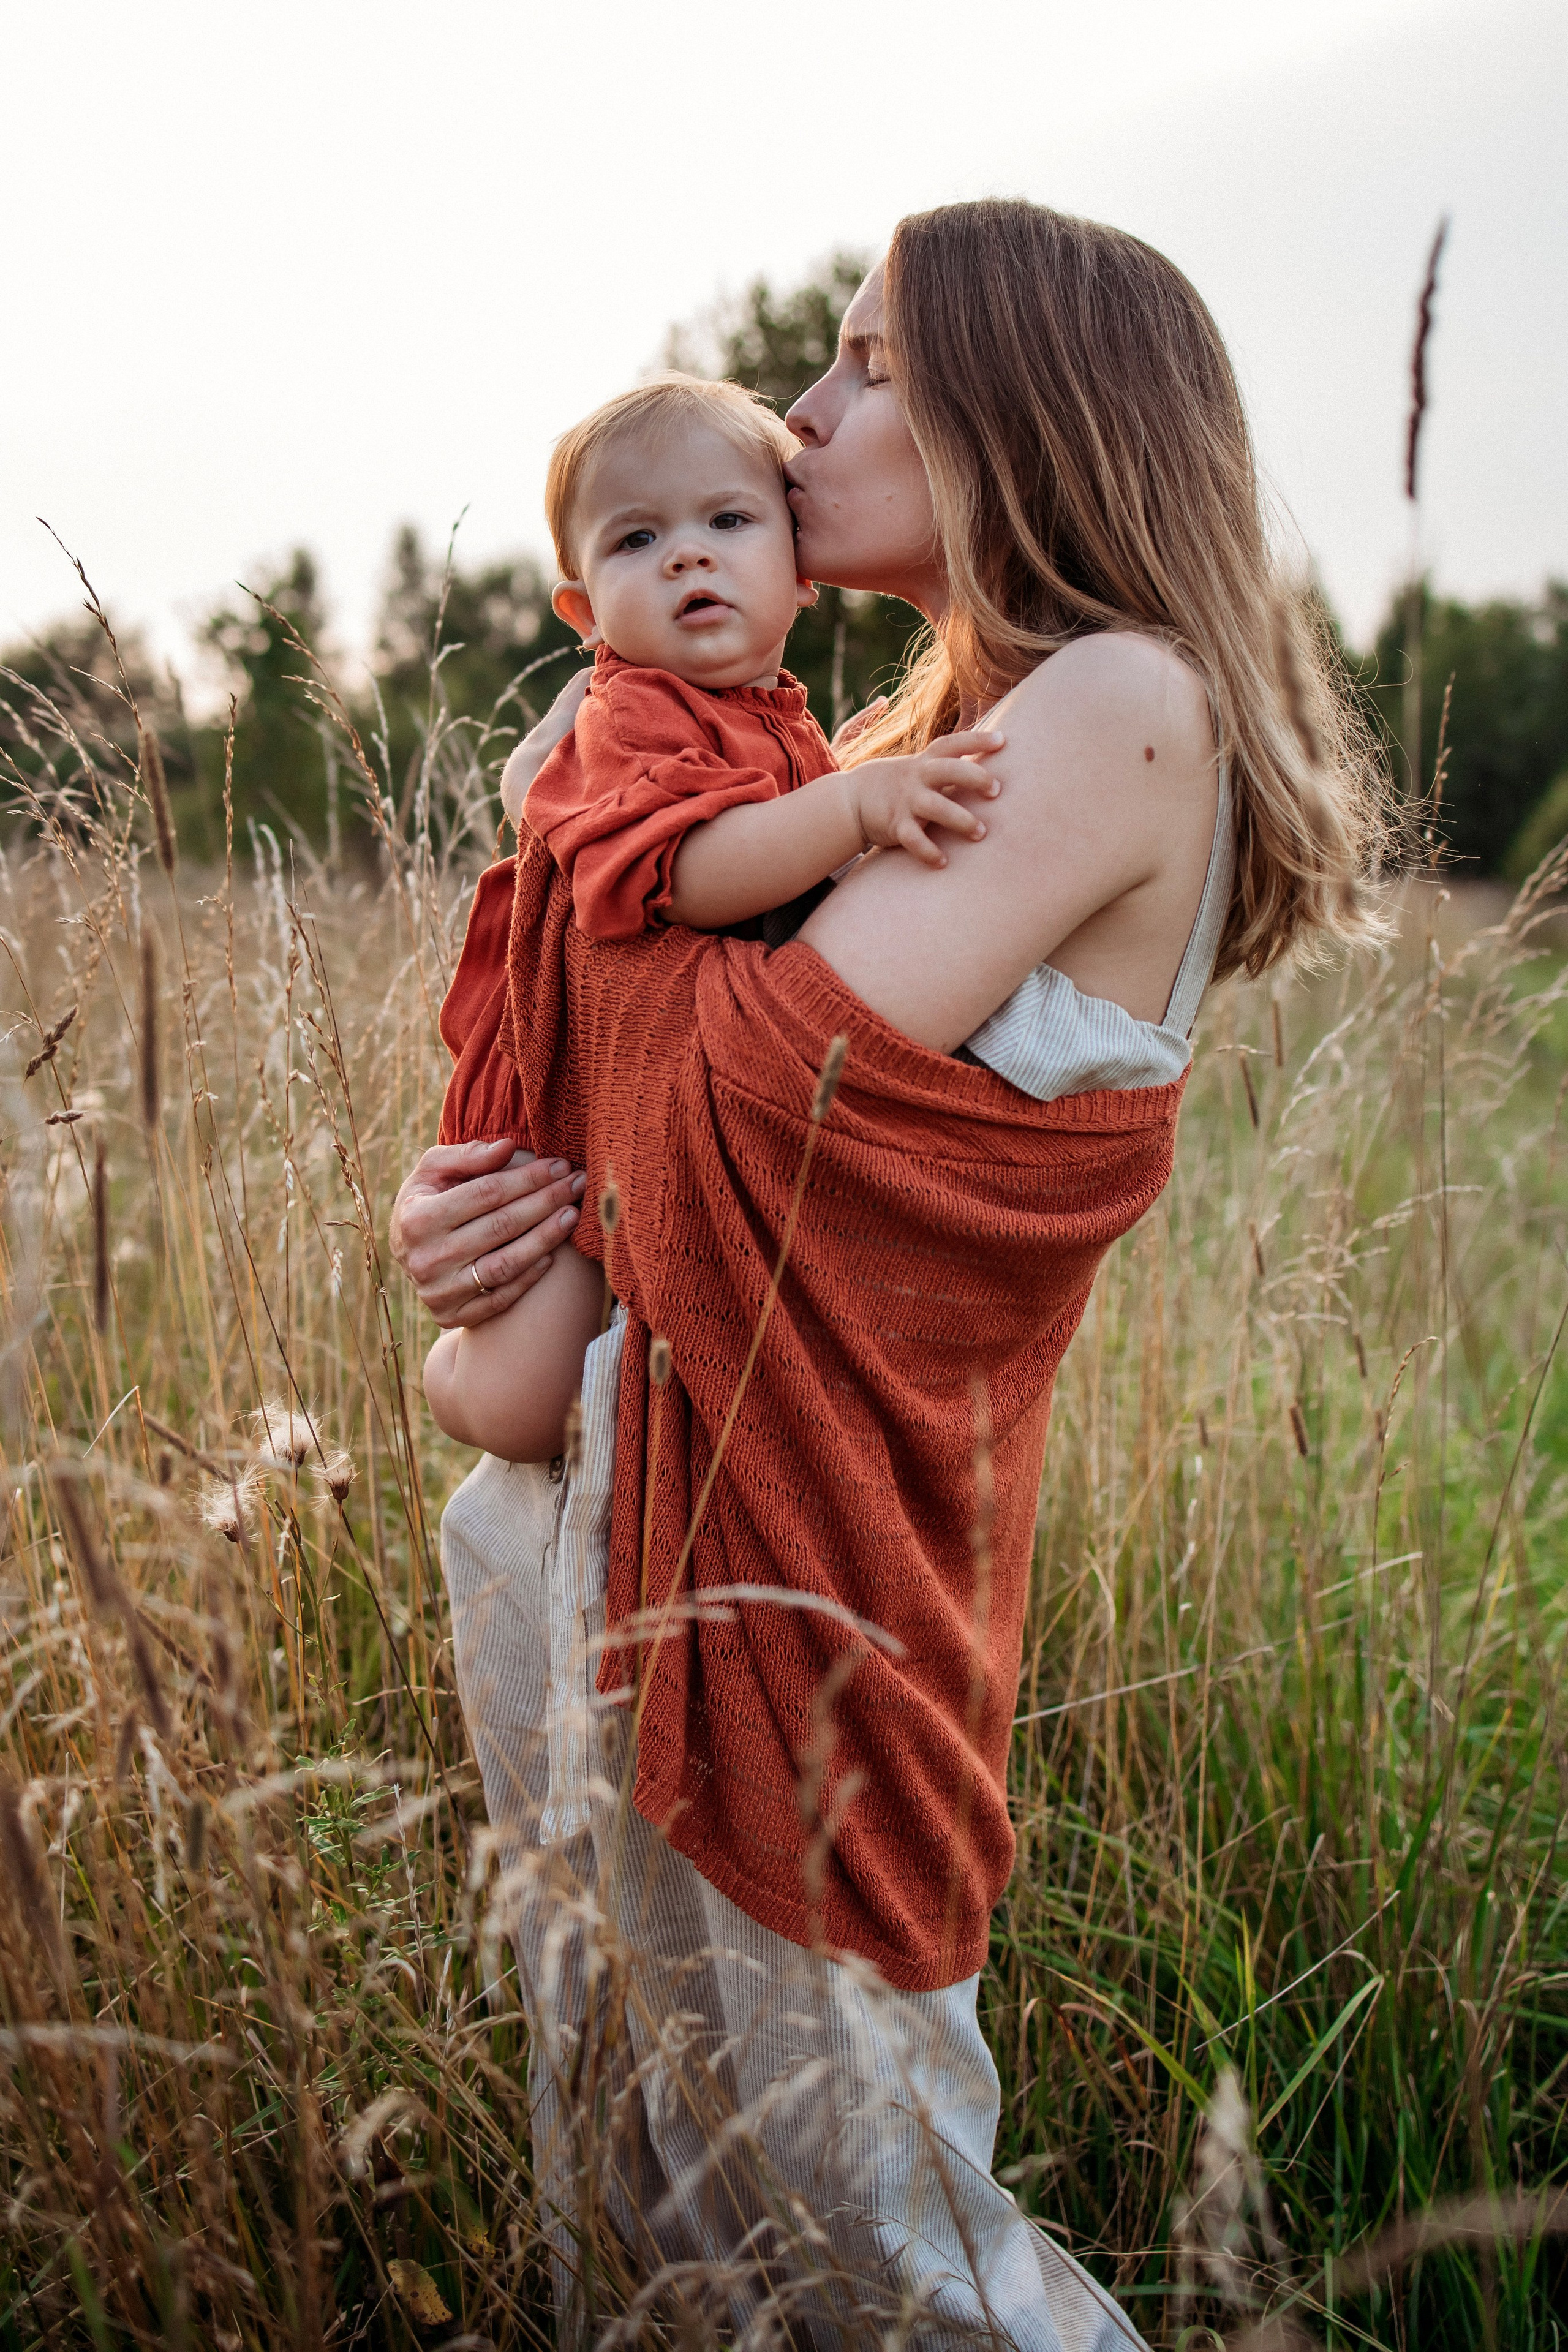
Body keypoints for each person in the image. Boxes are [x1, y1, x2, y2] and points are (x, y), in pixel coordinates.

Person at [390, 200, 1382, 2348]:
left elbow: (737, 1090)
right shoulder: (893, 749)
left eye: (862, 369)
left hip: (825, 1570)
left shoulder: (1119, 698)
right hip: (672, 1508)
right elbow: (640, 1093)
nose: (808, 414)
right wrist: (478, 1203)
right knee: (683, 2181)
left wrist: (582, 818)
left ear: (1018, 411)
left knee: (881, 2231)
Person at [424, 370, 1006, 1464]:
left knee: (637, 1365)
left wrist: (840, 774)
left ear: (799, 574)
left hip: (668, 1122)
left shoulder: (776, 720)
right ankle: (449, 1372)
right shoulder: (627, 711)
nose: (688, 554)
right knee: (527, 1406)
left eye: (729, 521)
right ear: (589, 614)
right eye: (636, 540)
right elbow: (686, 873)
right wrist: (853, 803)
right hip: (566, 1123)